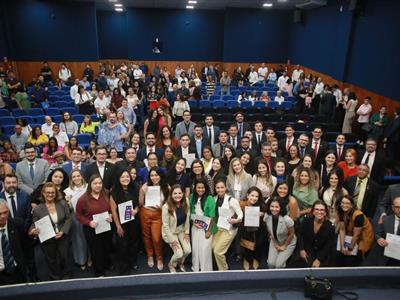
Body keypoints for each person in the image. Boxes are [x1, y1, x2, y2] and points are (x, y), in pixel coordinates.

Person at [29, 182, 72, 280]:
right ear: (43, 193)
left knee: (64, 257)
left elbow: (68, 219)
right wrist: (32, 231)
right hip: (47, 238)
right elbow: (34, 224)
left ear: (56, 193)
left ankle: (66, 275)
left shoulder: (63, 203)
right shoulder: (38, 209)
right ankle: (55, 276)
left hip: (62, 235)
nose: (50, 194)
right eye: (47, 192)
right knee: (51, 259)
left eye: (52, 192)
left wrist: (62, 231)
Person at [76, 175, 113, 277]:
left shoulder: (106, 193)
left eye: (100, 183)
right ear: (90, 185)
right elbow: (78, 215)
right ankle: (99, 271)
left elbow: (111, 209)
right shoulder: (83, 199)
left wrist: (111, 215)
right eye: (95, 183)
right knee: (96, 251)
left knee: (106, 247)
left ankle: (106, 265)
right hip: (91, 229)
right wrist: (89, 223)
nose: (98, 185)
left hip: (106, 226)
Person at [138, 167, 170, 271]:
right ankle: (150, 255)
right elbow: (140, 203)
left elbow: (169, 204)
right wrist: (142, 192)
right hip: (145, 213)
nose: (154, 177)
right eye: (152, 175)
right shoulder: (145, 186)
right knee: (146, 236)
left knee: (156, 239)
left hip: (158, 214)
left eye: (156, 175)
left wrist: (162, 208)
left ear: (160, 176)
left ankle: (159, 257)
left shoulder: (166, 187)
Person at [110, 169, 141, 274]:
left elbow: (138, 204)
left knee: (134, 243)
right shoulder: (114, 191)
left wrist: (136, 210)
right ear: (118, 179)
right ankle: (123, 266)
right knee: (122, 245)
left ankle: (133, 262)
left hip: (133, 221)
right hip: (121, 223)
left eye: (127, 176)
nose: (125, 179)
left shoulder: (135, 188)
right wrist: (118, 226)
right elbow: (113, 211)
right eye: (122, 177)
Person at [212, 179, 243, 271]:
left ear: (225, 188)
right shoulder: (214, 199)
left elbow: (240, 213)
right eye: (218, 188)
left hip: (229, 229)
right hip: (219, 228)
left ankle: (224, 270)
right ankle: (221, 266)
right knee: (213, 247)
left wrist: (236, 220)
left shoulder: (231, 200)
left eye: (222, 187)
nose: (220, 189)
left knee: (218, 252)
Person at [336, 196, 374, 267]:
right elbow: (342, 229)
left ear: (352, 205)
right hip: (350, 235)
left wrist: (350, 249)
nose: (344, 205)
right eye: (343, 203)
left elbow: (357, 235)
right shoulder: (340, 212)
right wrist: (342, 246)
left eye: (347, 203)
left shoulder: (358, 215)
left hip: (363, 238)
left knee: (352, 260)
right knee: (340, 256)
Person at [162, 185, 191, 273]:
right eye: (175, 193)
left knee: (188, 250)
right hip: (171, 232)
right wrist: (171, 240)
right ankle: (171, 264)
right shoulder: (166, 207)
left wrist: (187, 232)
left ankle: (180, 262)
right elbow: (165, 225)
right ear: (171, 195)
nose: (177, 195)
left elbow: (187, 217)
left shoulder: (186, 200)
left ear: (183, 194)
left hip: (181, 230)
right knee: (179, 253)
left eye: (179, 193)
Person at [63, 170, 89, 270]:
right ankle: (81, 260)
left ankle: (90, 258)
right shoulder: (67, 191)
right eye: (74, 177)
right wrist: (68, 203)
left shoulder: (88, 187)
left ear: (82, 176)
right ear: (71, 179)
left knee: (90, 238)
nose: (77, 178)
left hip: (89, 216)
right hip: (75, 217)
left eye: (78, 176)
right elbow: (68, 209)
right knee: (78, 240)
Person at [189, 178, 216, 272]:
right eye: (198, 187)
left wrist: (209, 230)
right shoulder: (192, 196)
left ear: (206, 188)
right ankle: (196, 268)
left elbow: (212, 216)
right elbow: (190, 212)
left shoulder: (210, 198)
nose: (200, 189)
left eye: (202, 187)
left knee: (204, 250)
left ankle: (206, 270)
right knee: (195, 249)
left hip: (206, 228)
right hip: (195, 227)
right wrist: (193, 222)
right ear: (195, 187)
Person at [298, 201, 335, 268]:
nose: (319, 212)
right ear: (313, 211)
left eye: (322, 210)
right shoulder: (306, 221)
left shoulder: (330, 226)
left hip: (322, 254)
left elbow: (328, 245)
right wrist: (301, 249)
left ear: (325, 212)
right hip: (308, 251)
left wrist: (319, 259)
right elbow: (300, 235)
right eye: (316, 209)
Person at [0, 200, 28, 285]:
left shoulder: (17, 224)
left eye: (5, 212)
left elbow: (26, 248)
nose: (3, 216)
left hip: (17, 273)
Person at [264, 197, 296, 269]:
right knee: (271, 264)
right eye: (272, 206)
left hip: (288, 242)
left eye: (276, 207)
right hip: (275, 240)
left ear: (281, 208)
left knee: (279, 266)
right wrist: (275, 243)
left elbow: (291, 234)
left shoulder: (287, 220)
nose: (274, 209)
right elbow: (269, 231)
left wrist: (284, 246)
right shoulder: (267, 216)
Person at [240, 187, 265, 270]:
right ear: (247, 195)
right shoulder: (242, 204)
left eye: (256, 196)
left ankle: (256, 258)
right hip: (245, 229)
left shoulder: (261, 206)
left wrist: (262, 215)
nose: (254, 198)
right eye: (252, 195)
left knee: (259, 242)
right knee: (246, 241)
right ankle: (246, 259)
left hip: (259, 230)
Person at [375, 197, 400, 266]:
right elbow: (377, 234)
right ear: (392, 207)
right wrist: (379, 239)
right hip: (386, 258)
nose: (399, 210)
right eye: (397, 207)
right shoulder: (385, 219)